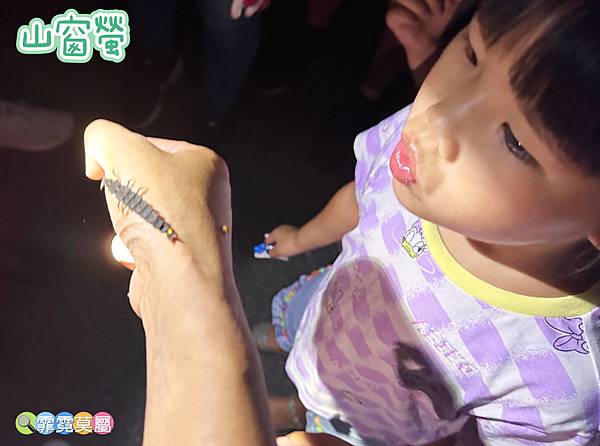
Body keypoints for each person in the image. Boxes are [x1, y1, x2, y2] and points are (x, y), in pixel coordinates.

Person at [256, 0, 600, 444]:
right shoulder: (423, 155)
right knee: (300, 333)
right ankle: (295, 373)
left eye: (514, 140)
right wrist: (300, 238)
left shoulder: (560, 382)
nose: (436, 119)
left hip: (370, 427)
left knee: (320, 417)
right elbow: (362, 194)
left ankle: (294, 409)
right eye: (472, 53)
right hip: (332, 303)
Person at [83, 119, 355, 446]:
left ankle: (296, 406)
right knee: (302, 323)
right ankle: (293, 396)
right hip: (329, 305)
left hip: (370, 415)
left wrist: (180, 279)